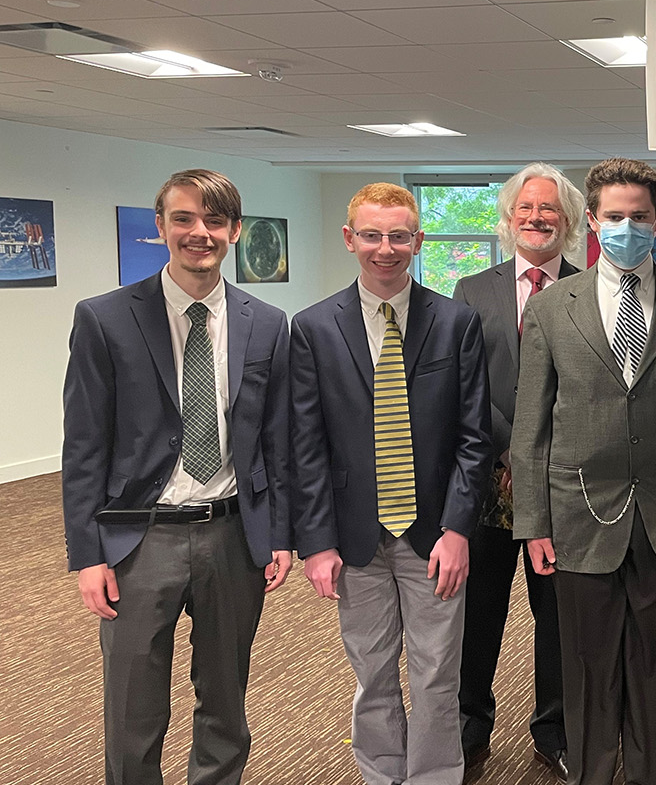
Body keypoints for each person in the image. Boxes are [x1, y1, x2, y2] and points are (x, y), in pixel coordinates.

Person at [61, 168, 292, 785]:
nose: (200, 233)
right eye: (184, 218)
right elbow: (84, 447)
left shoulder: (267, 323)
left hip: (232, 536)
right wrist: (88, 555)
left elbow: (278, 441)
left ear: (236, 231)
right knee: (134, 708)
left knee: (225, 699)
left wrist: (280, 533)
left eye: (215, 221)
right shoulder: (105, 318)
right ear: (160, 226)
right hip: (139, 540)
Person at [511, 157, 656, 785]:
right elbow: (531, 428)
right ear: (592, 220)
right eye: (614, 217)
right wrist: (533, 523)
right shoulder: (554, 307)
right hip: (578, 517)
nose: (627, 227)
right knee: (585, 671)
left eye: (639, 217)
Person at [290, 182, 493, 785]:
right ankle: (381, 773)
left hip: (434, 535)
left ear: (418, 240)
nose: (386, 248)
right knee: (372, 672)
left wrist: (459, 529)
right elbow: (306, 444)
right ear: (350, 238)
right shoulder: (313, 327)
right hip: (354, 535)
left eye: (399, 235)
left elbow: (474, 438)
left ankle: (434, 776)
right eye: (372, 235)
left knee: (436, 673)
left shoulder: (456, 322)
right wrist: (317, 541)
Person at [452, 163, 583, 781]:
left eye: (549, 209)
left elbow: (594, 395)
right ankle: (469, 724)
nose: (537, 217)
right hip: (485, 482)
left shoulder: (595, 290)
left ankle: (553, 730)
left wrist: (536, 456)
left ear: (570, 221)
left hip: (560, 488)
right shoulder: (471, 291)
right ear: (508, 219)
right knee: (477, 614)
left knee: (556, 618)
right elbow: (464, 385)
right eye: (526, 208)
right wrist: (509, 452)